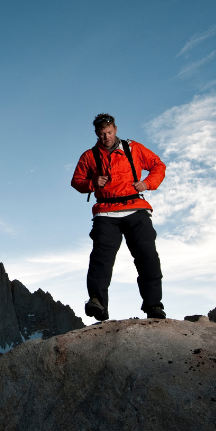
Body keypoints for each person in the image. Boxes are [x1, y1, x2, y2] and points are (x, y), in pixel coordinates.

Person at [70, 113, 167, 321]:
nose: (106, 137)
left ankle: (154, 306)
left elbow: (158, 165)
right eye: (102, 134)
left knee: (147, 257)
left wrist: (148, 183)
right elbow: (76, 181)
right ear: (96, 134)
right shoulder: (89, 156)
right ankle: (98, 303)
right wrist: (93, 183)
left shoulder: (134, 148)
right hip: (106, 213)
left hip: (136, 208)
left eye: (109, 132)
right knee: (101, 259)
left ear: (115, 129)